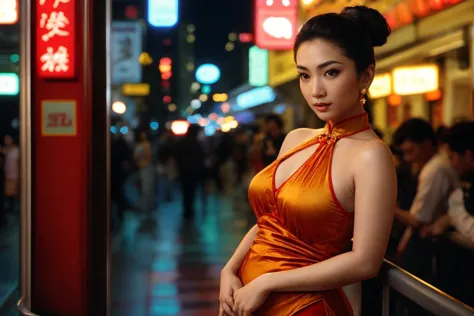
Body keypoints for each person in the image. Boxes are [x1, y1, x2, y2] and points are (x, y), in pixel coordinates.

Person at [219, 6, 396, 316]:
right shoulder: (296, 138)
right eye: (304, 75)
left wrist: (267, 283)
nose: (316, 90)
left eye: (331, 72)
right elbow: (269, 222)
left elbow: (365, 261)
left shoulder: (372, 156)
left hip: (306, 307)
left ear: (365, 75)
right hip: (247, 299)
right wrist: (229, 270)